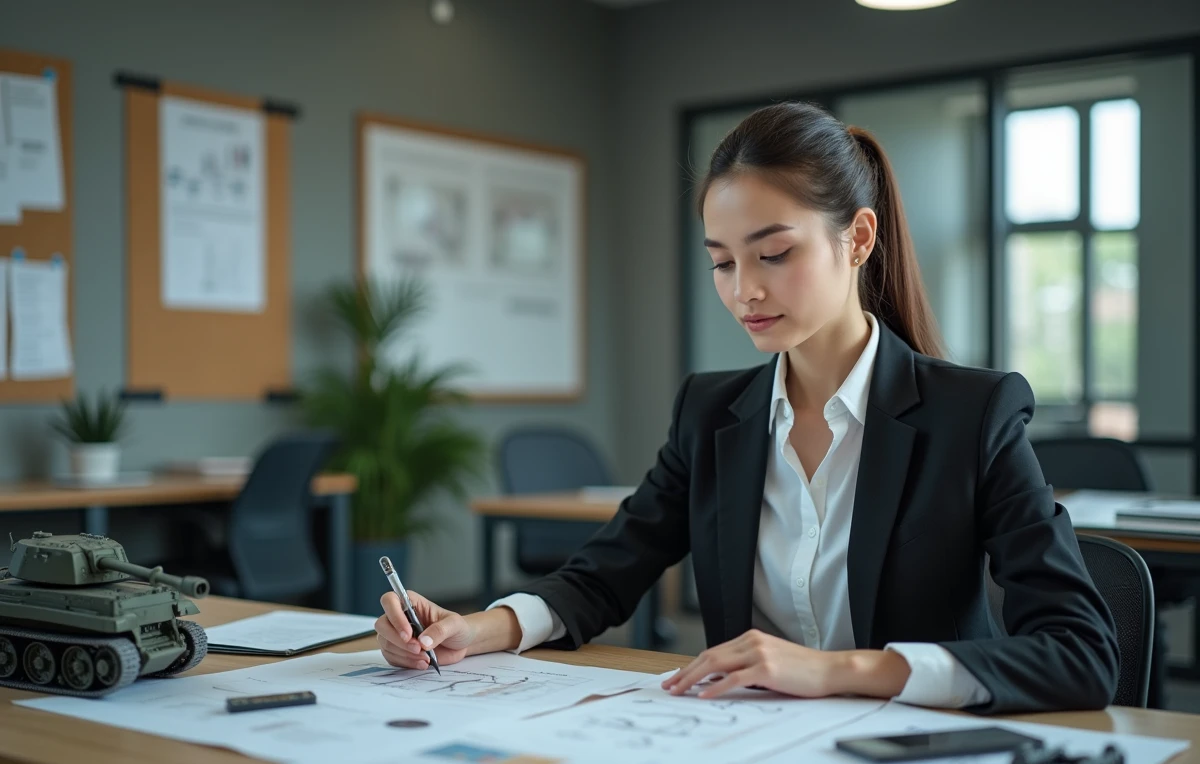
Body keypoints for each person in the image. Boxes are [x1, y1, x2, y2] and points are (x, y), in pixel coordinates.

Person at [375, 101, 1119, 715]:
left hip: (910, 759)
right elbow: (603, 577)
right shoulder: (712, 412)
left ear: (857, 239)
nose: (744, 292)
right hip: (744, 758)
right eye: (723, 263)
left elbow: (1080, 652)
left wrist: (836, 671)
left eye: (774, 254)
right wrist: (474, 628)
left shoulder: (972, 414)